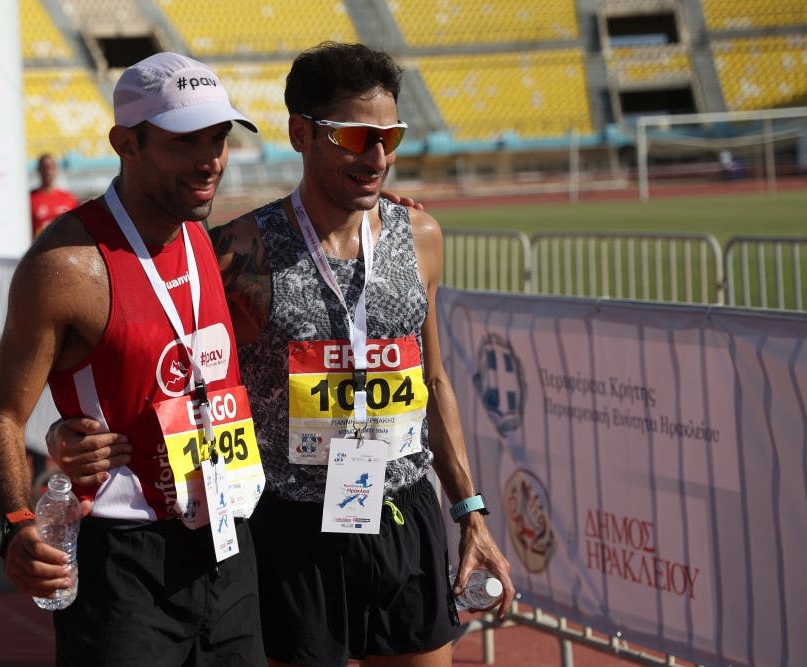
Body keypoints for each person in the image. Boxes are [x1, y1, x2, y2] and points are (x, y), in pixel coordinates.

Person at [50, 42, 515, 667]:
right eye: (356, 137)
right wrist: (65, 434)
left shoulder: (421, 236)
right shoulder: (232, 252)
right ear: (301, 134)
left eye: (390, 137)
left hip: (404, 509)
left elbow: (434, 380)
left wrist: (470, 511)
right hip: (292, 526)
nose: (377, 157)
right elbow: (161, 364)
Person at [0, 52, 266, 666]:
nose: (210, 159)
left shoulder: (208, 238)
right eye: (184, 141)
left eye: (218, 138)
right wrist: (14, 524)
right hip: (125, 561)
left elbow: (323, 228)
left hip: (228, 540)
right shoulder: (65, 266)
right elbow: (1, 417)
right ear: (125, 143)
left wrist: (384, 211)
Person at [29, 153, 79, 239]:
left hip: (65, 245)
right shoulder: (29, 199)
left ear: (56, 170)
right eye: (44, 167)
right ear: (38, 170)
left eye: (51, 167)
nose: (48, 171)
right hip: (39, 246)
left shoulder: (69, 198)